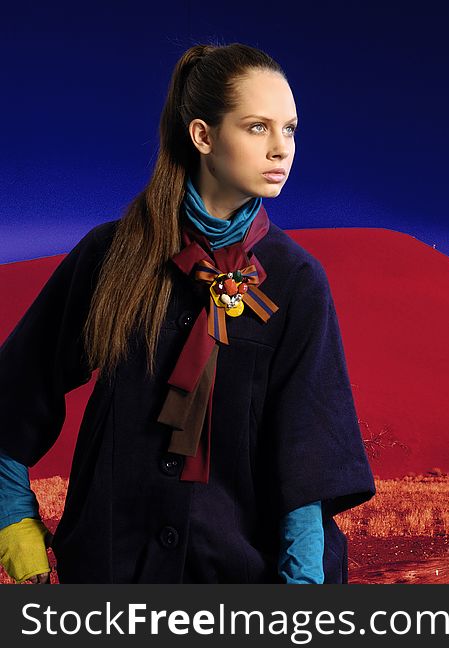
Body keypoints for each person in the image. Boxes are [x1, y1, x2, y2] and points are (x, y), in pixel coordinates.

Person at [0, 42, 375, 583]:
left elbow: (308, 455)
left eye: (289, 129)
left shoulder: (297, 281)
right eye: (257, 127)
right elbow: (14, 393)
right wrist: (13, 520)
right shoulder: (110, 256)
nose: (281, 149)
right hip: (110, 576)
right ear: (203, 136)